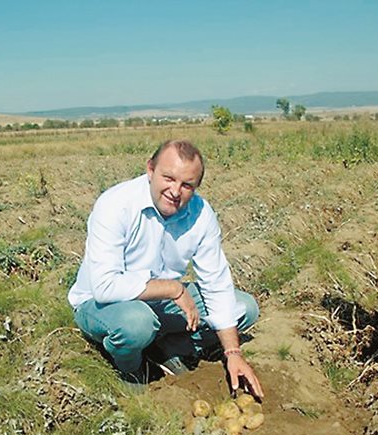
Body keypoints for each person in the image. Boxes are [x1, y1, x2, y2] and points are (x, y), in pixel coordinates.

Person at [68, 140, 264, 397]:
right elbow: (105, 287)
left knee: (244, 309)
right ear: (150, 170)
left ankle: (166, 346)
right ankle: (132, 368)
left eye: (186, 185)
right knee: (136, 323)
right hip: (100, 304)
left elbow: (216, 282)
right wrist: (173, 289)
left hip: (160, 300)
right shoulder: (116, 204)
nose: (175, 191)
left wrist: (233, 353)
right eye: (168, 178)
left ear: (196, 187)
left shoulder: (201, 214)